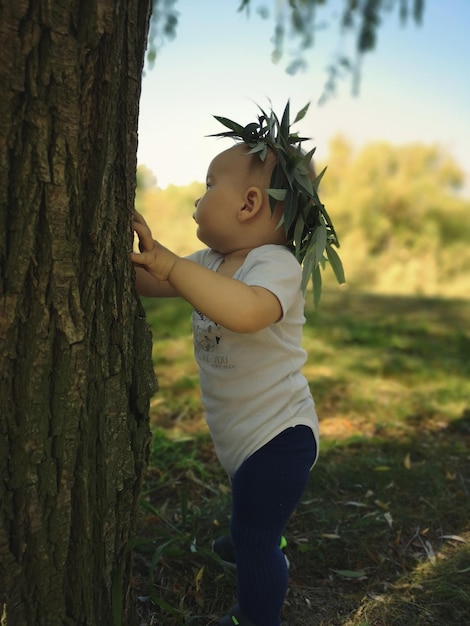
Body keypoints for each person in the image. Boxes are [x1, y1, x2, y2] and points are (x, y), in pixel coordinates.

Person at [131, 103, 342, 626]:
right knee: (249, 504)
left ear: (249, 203)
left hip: (279, 437)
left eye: (207, 187)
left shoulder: (276, 265)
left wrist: (175, 266)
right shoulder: (208, 263)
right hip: (246, 436)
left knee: (257, 539)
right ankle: (254, 525)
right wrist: (143, 259)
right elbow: (156, 281)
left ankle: (256, 612)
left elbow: (247, 312)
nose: (197, 201)